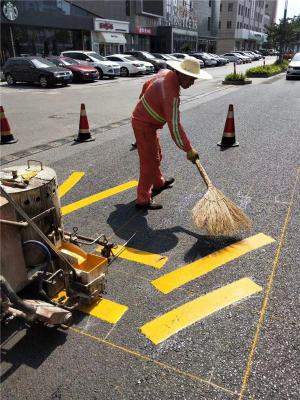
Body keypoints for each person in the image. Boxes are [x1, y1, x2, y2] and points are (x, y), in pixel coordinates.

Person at [131, 56, 212, 210]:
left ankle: (158, 183)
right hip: (143, 125)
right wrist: (188, 149)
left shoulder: (166, 73)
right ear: (182, 74)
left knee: (157, 155)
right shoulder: (171, 94)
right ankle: (143, 199)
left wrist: (144, 99)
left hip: (147, 123)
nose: (193, 82)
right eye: (192, 79)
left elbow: (147, 83)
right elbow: (174, 126)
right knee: (149, 162)